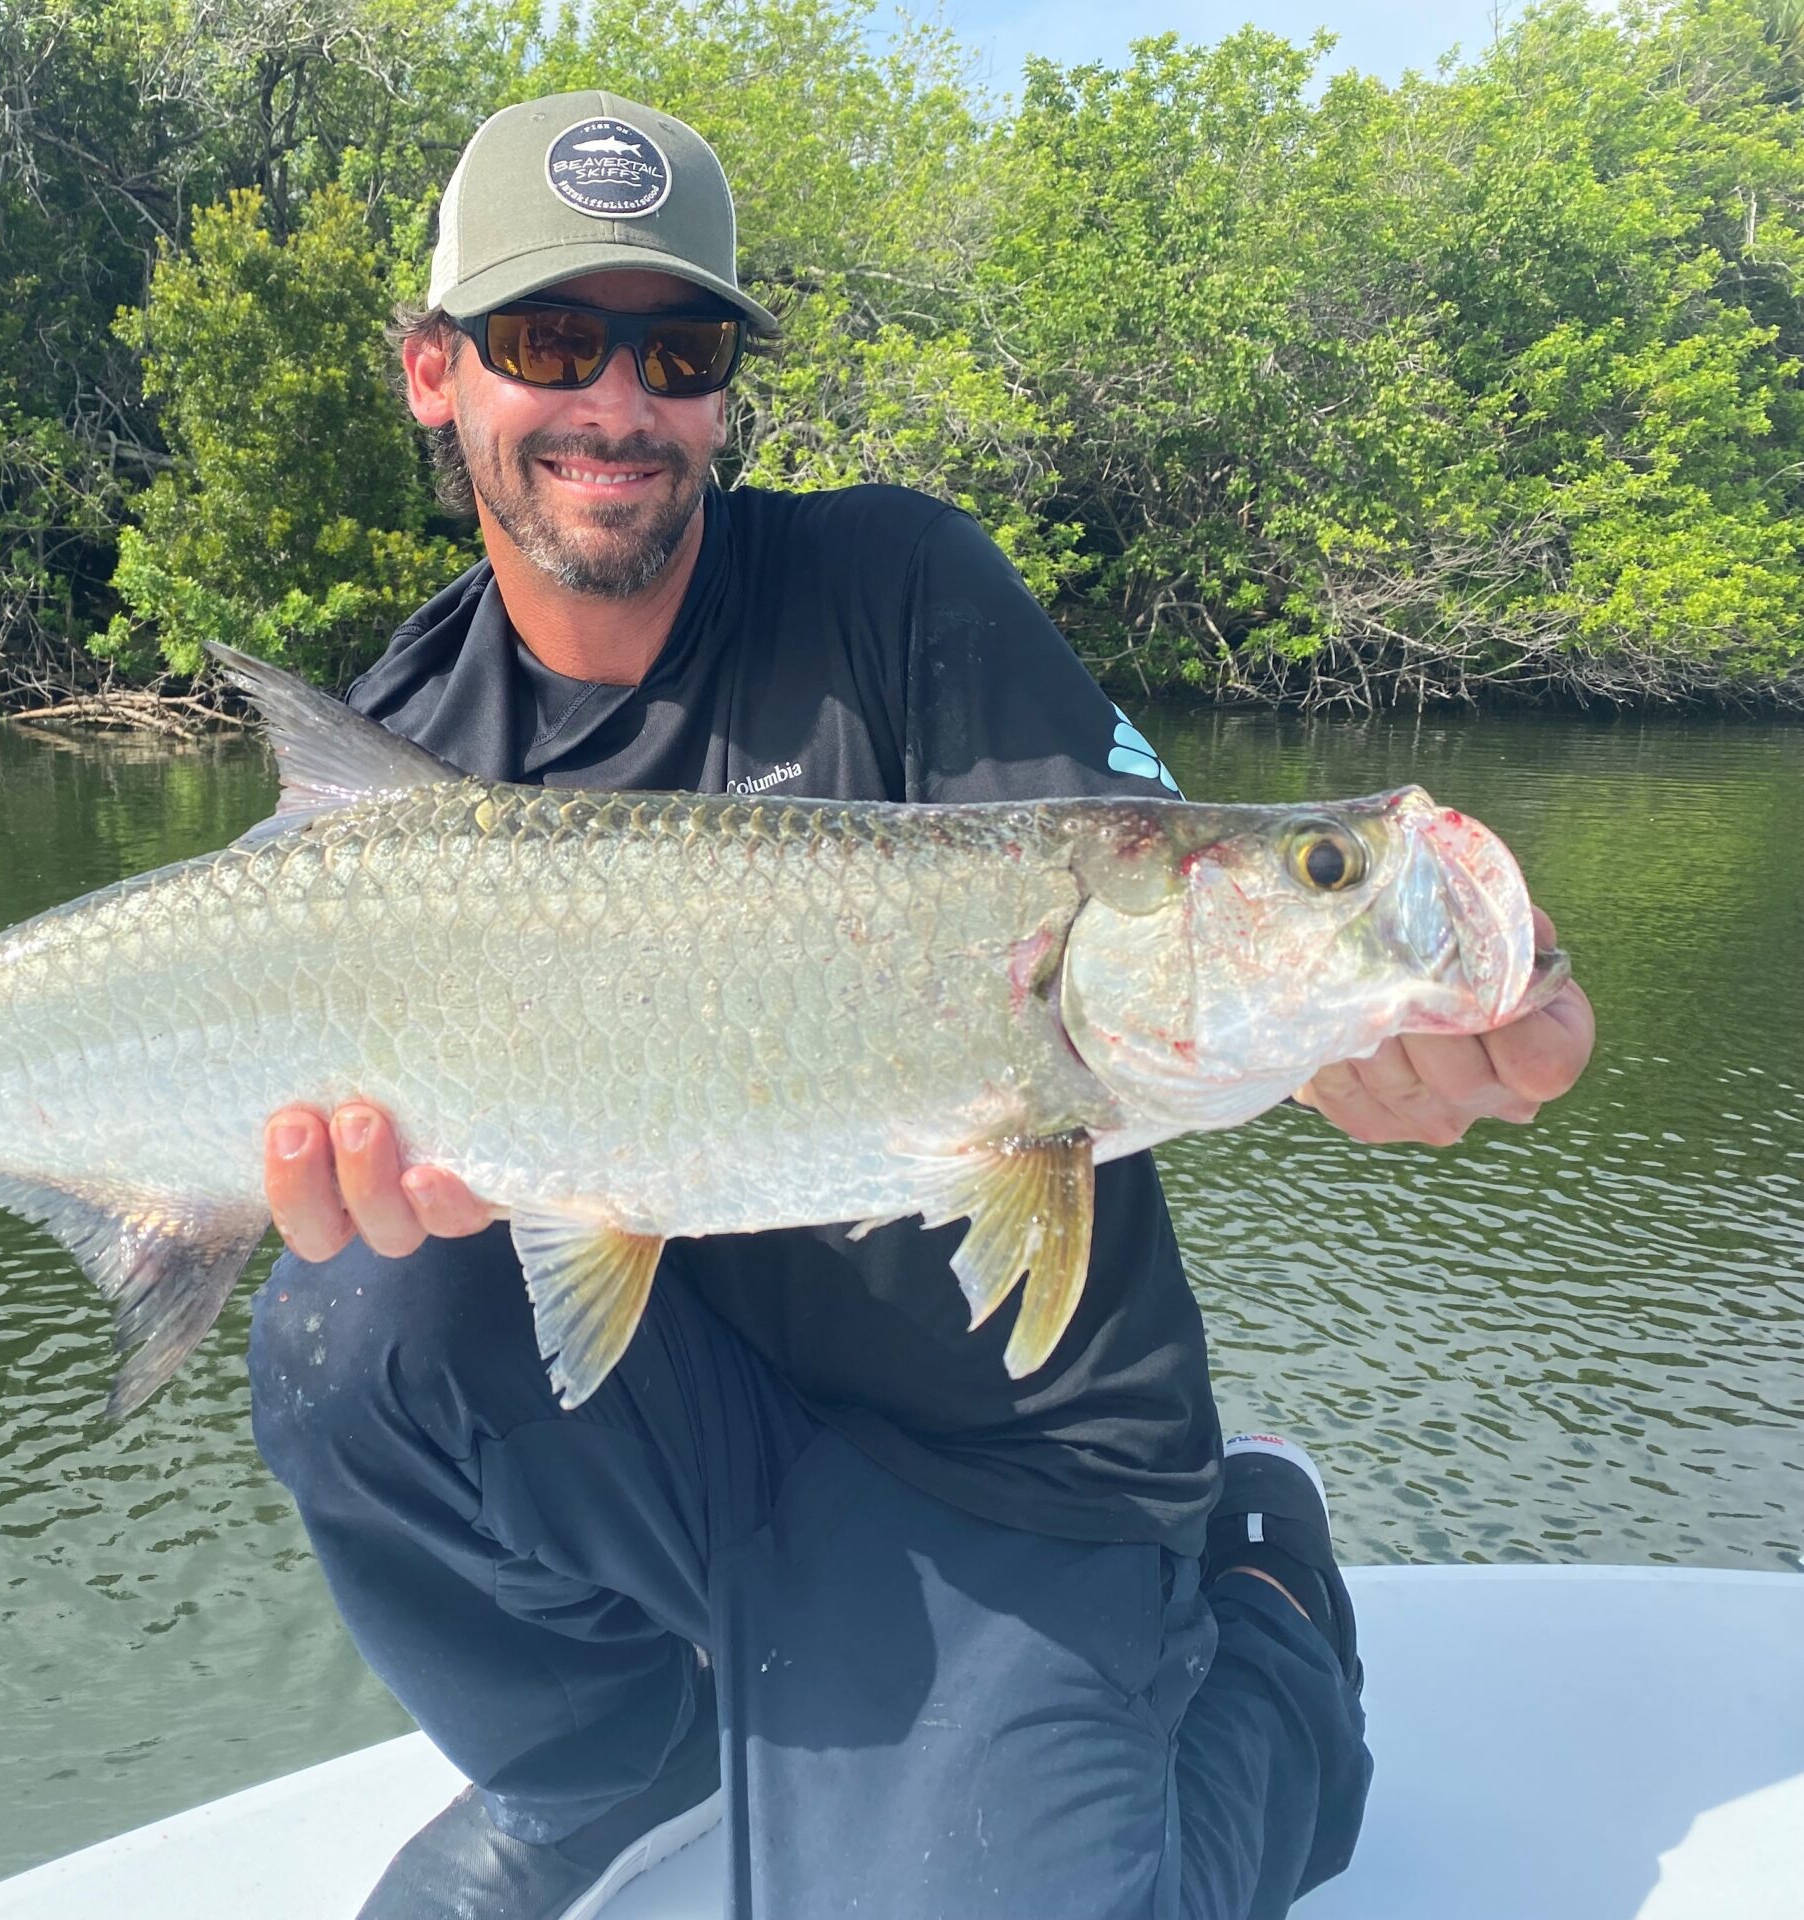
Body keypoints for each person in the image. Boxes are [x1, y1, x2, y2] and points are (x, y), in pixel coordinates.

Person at [244, 90, 1597, 1920]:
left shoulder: (903, 585)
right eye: (553, 340)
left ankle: (1267, 1615)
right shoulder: (401, 740)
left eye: (681, 347)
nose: (619, 405)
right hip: (702, 1432)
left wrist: (1455, 989)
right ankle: (613, 1774)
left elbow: (1193, 873)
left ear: (724, 385)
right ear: (436, 373)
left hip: (1019, 1467)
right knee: (350, 1327)